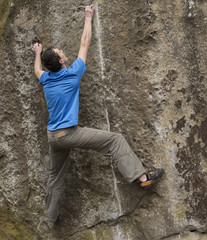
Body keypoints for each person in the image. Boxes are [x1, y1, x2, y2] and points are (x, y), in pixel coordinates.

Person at [32, 5, 163, 224]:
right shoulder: (73, 74)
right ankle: (141, 177)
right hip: (69, 134)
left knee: (55, 178)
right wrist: (88, 17)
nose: (63, 52)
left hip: (53, 137)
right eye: (61, 53)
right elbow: (85, 43)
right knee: (115, 140)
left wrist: (37, 54)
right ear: (62, 62)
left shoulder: (46, 79)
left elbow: (37, 71)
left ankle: (50, 217)